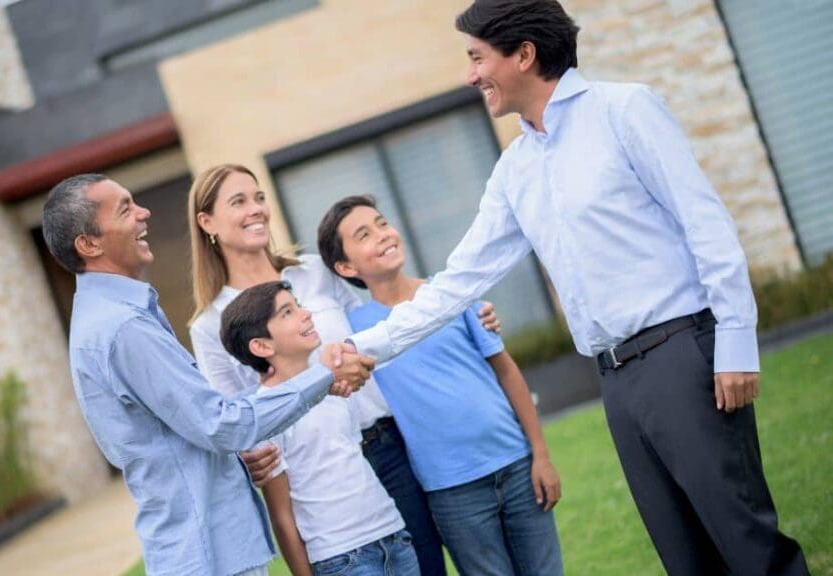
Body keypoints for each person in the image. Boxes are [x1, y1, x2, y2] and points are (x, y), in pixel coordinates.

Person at [343, 1, 810, 575]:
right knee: (685, 557)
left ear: (523, 54)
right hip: (614, 379)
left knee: (746, 544)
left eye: (476, 58)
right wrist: (369, 348)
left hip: (683, 357)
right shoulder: (515, 169)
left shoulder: (625, 110)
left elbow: (706, 225)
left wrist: (736, 340)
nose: (469, 76)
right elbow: (457, 282)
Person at [40, 173, 374, 576]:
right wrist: (320, 375)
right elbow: (220, 425)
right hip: (208, 557)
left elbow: (189, 427)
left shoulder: (116, 317)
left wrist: (234, 456)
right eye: (126, 209)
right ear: (89, 244)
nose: (144, 214)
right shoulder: (123, 328)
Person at [187, 164, 498, 576]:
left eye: (259, 197)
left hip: (391, 446)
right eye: (238, 201)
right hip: (316, 478)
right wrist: (249, 456)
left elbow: (382, 324)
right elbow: (231, 416)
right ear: (207, 222)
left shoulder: (312, 271)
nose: (256, 209)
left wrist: (462, 310)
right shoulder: (210, 324)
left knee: (425, 564)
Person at [318, 195, 563, 576]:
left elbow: (507, 372)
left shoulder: (451, 295)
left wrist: (541, 454)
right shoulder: (357, 331)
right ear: (345, 265)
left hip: (516, 466)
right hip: (452, 492)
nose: (382, 235)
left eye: (383, 223)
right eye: (364, 234)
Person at [220, 280, 420, 576]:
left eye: (299, 305)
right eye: (287, 312)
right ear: (262, 346)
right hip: (341, 557)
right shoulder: (265, 416)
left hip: (394, 535)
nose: (306, 314)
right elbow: (282, 516)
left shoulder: (333, 386)